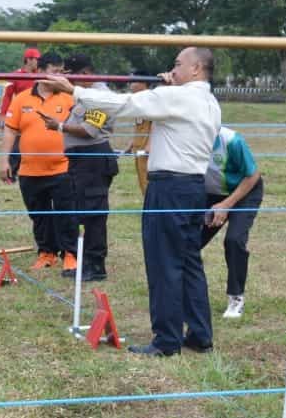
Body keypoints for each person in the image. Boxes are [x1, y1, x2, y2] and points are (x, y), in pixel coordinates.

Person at [41, 48, 221, 357]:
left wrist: (75, 90)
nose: (172, 69)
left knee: (164, 263)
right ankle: (200, 334)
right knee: (190, 262)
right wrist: (168, 87)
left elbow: (125, 104)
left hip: (169, 188)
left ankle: (166, 341)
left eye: (178, 64)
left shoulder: (178, 97)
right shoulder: (207, 100)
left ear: (196, 69)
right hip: (192, 187)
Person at [40, 53, 119, 281]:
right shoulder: (86, 95)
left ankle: (95, 266)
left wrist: (59, 126)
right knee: (84, 210)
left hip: (93, 159)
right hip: (83, 160)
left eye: (70, 75)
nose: (68, 80)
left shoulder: (99, 97)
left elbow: (89, 130)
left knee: (94, 213)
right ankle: (87, 262)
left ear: (85, 74)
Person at [1, 52, 76, 271]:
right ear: (41, 72)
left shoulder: (69, 97)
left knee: (66, 214)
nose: (59, 77)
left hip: (63, 168)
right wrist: (4, 160)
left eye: (62, 72)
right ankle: (46, 253)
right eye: (55, 72)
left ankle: (70, 254)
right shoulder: (22, 98)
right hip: (30, 171)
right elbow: (10, 130)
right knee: (39, 216)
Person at [201, 126, 263, 320]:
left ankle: (236, 297)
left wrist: (227, 205)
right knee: (188, 241)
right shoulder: (187, 138)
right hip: (211, 193)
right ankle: (186, 293)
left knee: (234, 240)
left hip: (244, 192)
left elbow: (253, 175)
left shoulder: (232, 141)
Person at [0, 47, 41, 182]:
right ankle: (10, 174)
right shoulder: (15, 75)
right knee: (15, 147)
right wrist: (3, 115)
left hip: (35, 117)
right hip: (18, 116)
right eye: (36, 59)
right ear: (28, 60)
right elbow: (7, 96)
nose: (38, 62)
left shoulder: (40, 76)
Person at [124, 80, 153, 196]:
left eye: (134, 81)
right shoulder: (138, 102)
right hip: (138, 150)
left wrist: (149, 145)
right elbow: (139, 126)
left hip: (147, 152)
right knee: (142, 182)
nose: (131, 85)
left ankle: (150, 210)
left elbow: (155, 124)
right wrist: (131, 145)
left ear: (144, 84)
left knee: (148, 182)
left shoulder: (152, 101)